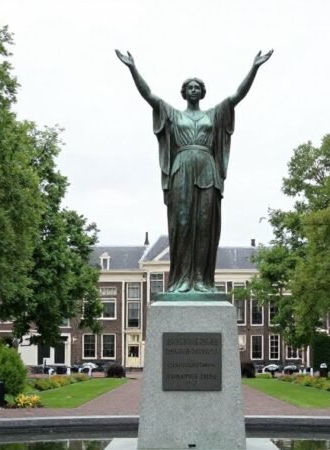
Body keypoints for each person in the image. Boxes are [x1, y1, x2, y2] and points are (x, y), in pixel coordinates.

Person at [116, 49, 273, 293]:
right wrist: (132, 68)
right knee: (182, 223)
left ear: (202, 92)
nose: (193, 90)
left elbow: (237, 96)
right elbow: (149, 95)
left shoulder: (214, 114)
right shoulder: (173, 114)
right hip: (182, 168)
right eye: (189, 87)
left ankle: (200, 279)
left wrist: (254, 68)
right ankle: (181, 280)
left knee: (204, 224)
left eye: (197, 87)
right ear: (184, 92)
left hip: (207, 170)